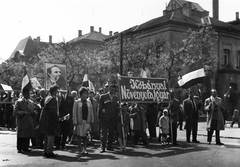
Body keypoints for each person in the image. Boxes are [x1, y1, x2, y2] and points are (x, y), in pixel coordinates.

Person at [39, 85, 61, 158]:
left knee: (46, 135)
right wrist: (57, 118)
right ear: (54, 91)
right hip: (50, 119)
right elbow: (53, 111)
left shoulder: (47, 98)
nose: (57, 92)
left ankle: (46, 151)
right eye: (57, 91)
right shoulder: (53, 99)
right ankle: (49, 151)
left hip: (45, 118)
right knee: (51, 135)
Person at [14, 88, 37, 153]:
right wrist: (23, 113)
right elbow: (16, 111)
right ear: (23, 94)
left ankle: (26, 147)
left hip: (29, 121)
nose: (28, 95)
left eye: (28, 93)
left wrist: (33, 112)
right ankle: (19, 148)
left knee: (27, 135)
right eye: (26, 94)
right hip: (22, 121)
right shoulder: (19, 102)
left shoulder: (31, 102)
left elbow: (35, 111)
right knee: (21, 135)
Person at [72, 87, 94, 156]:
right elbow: (74, 112)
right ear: (80, 94)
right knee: (79, 135)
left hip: (87, 121)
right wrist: (75, 121)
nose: (85, 95)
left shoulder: (89, 102)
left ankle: (85, 149)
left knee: (85, 135)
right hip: (79, 121)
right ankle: (80, 149)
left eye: (86, 94)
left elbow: (91, 112)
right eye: (83, 94)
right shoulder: (77, 102)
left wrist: (92, 120)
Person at [98, 84, 119, 153]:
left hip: (112, 118)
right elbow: (100, 107)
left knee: (111, 133)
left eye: (114, 90)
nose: (112, 91)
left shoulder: (116, 98)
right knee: (103, 133)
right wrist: (99, 117)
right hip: (104, 118)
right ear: (109, 89)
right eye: (111, 89)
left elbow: (116, 108)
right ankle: (103, 146)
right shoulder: (103, 96)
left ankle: (109, 146)